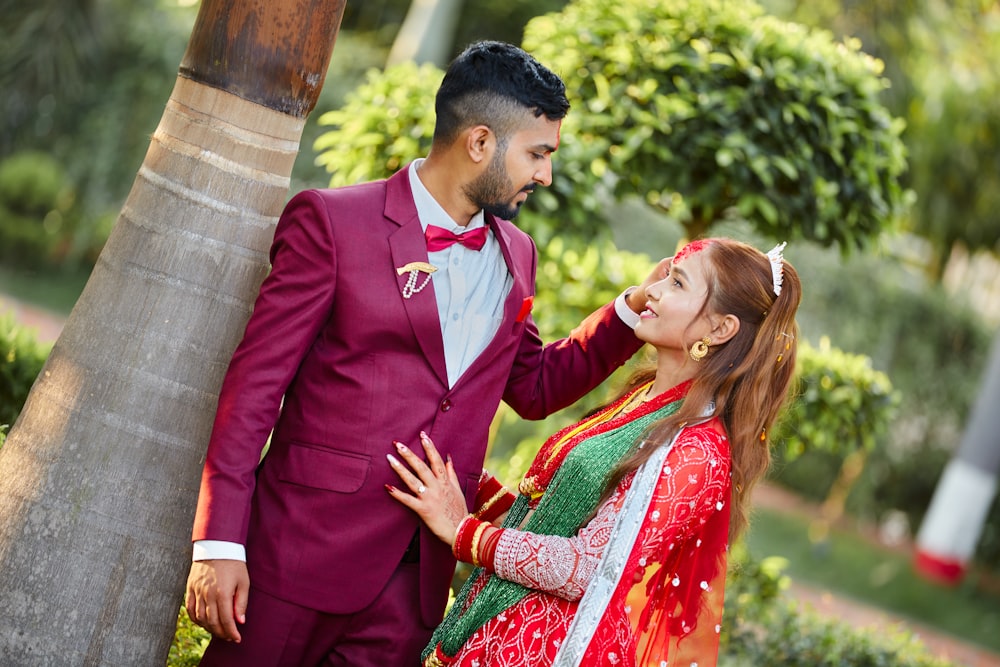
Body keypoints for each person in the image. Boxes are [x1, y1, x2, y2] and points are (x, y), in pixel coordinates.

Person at [184, 40, 665, 666]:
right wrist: (219, 543)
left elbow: (534, 387)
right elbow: (253, 390)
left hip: (413, 588)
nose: (545, 174)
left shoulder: (518, 255)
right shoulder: (331, 222)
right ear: (481, 142)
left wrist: (629, 314)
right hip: (297, 558)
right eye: (538, 153)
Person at [388, 237, 802, 667]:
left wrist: (463, 531)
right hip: (504, 629)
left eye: (677, 283)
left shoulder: (697, 449)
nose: (654, 290)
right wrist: (473, 486)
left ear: (720, 329)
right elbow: (564, 522)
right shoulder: (646, 398)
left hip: (550, 649)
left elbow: (592, 566)